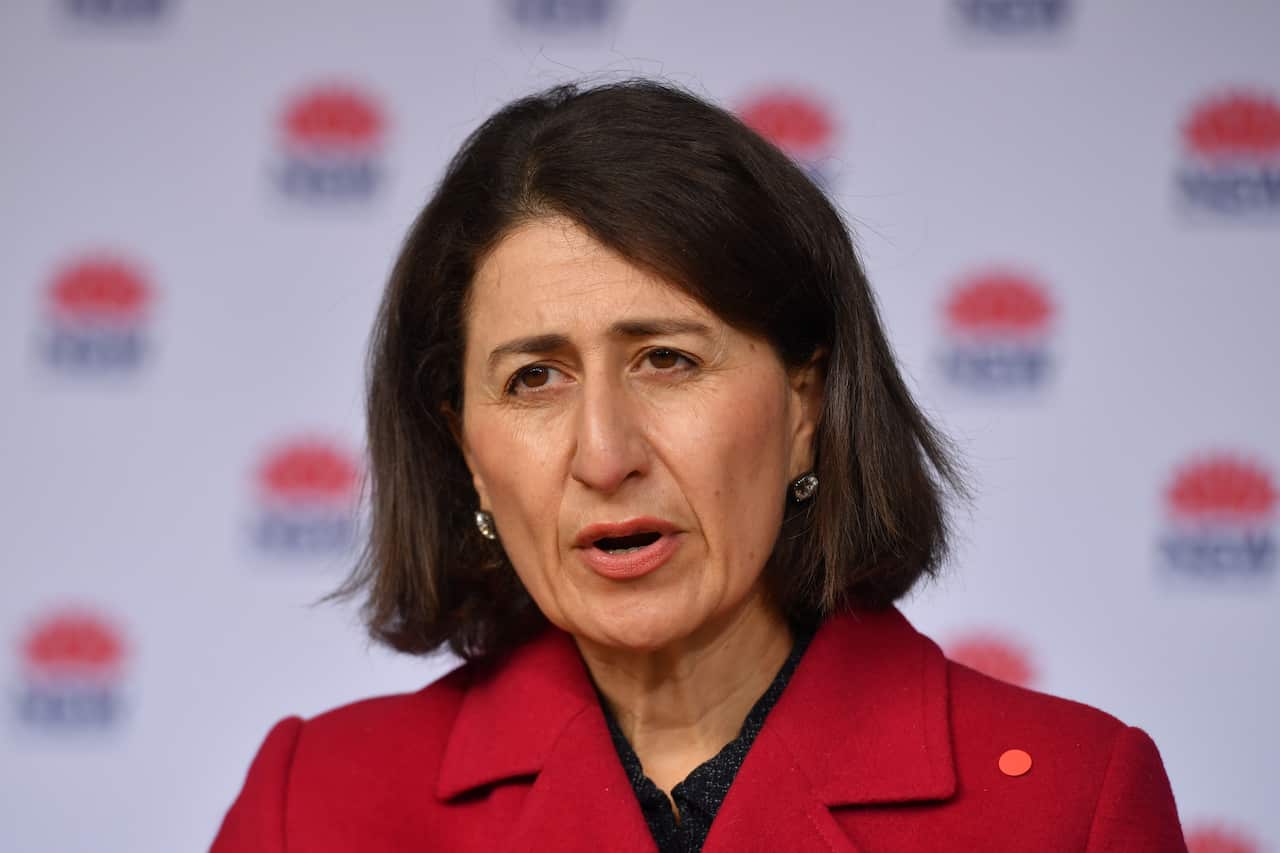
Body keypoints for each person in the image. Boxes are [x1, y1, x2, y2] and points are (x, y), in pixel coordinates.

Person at [210, 78, 1187, 852]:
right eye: (533, 378)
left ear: (805, 403)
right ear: (465, 447)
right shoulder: (317, 802)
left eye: (665, 360)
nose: (603, 453)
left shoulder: (1066, 800)